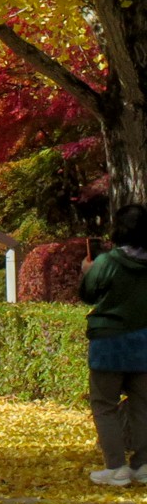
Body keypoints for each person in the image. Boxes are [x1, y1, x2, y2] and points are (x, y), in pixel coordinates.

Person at [84, 203, 147, 485]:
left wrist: (87, 271)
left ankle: (116, 466)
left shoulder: (107, 262)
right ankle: (143, 465)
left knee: (104, 404)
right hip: (144, 342)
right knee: (143, 406)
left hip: (108, 342)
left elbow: (88, 293)